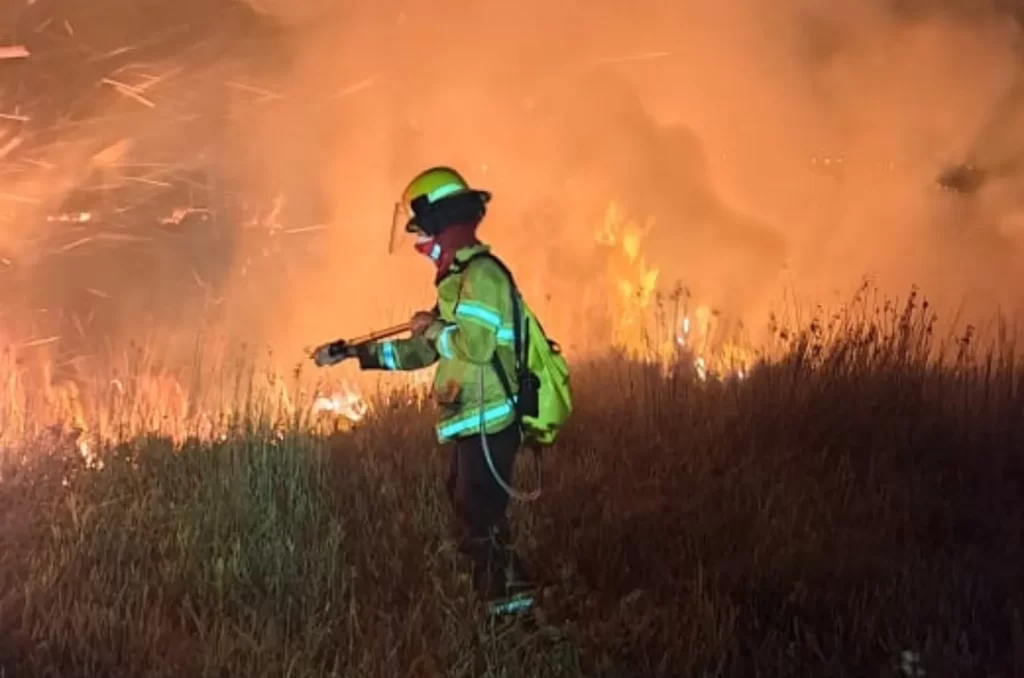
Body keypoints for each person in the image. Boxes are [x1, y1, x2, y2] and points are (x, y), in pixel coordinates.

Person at [312, 166, 535, 610]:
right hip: (469, 419)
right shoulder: (458, 283)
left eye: (424, 234)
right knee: (475, 513)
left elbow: (473, 345)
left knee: (479, 517)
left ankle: (506, 617)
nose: (422, 247)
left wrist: (433, 328)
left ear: (441, 224)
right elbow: (422, 353)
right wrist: (357, 353)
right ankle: (510, 600)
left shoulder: (483, 277)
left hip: (491, 418)